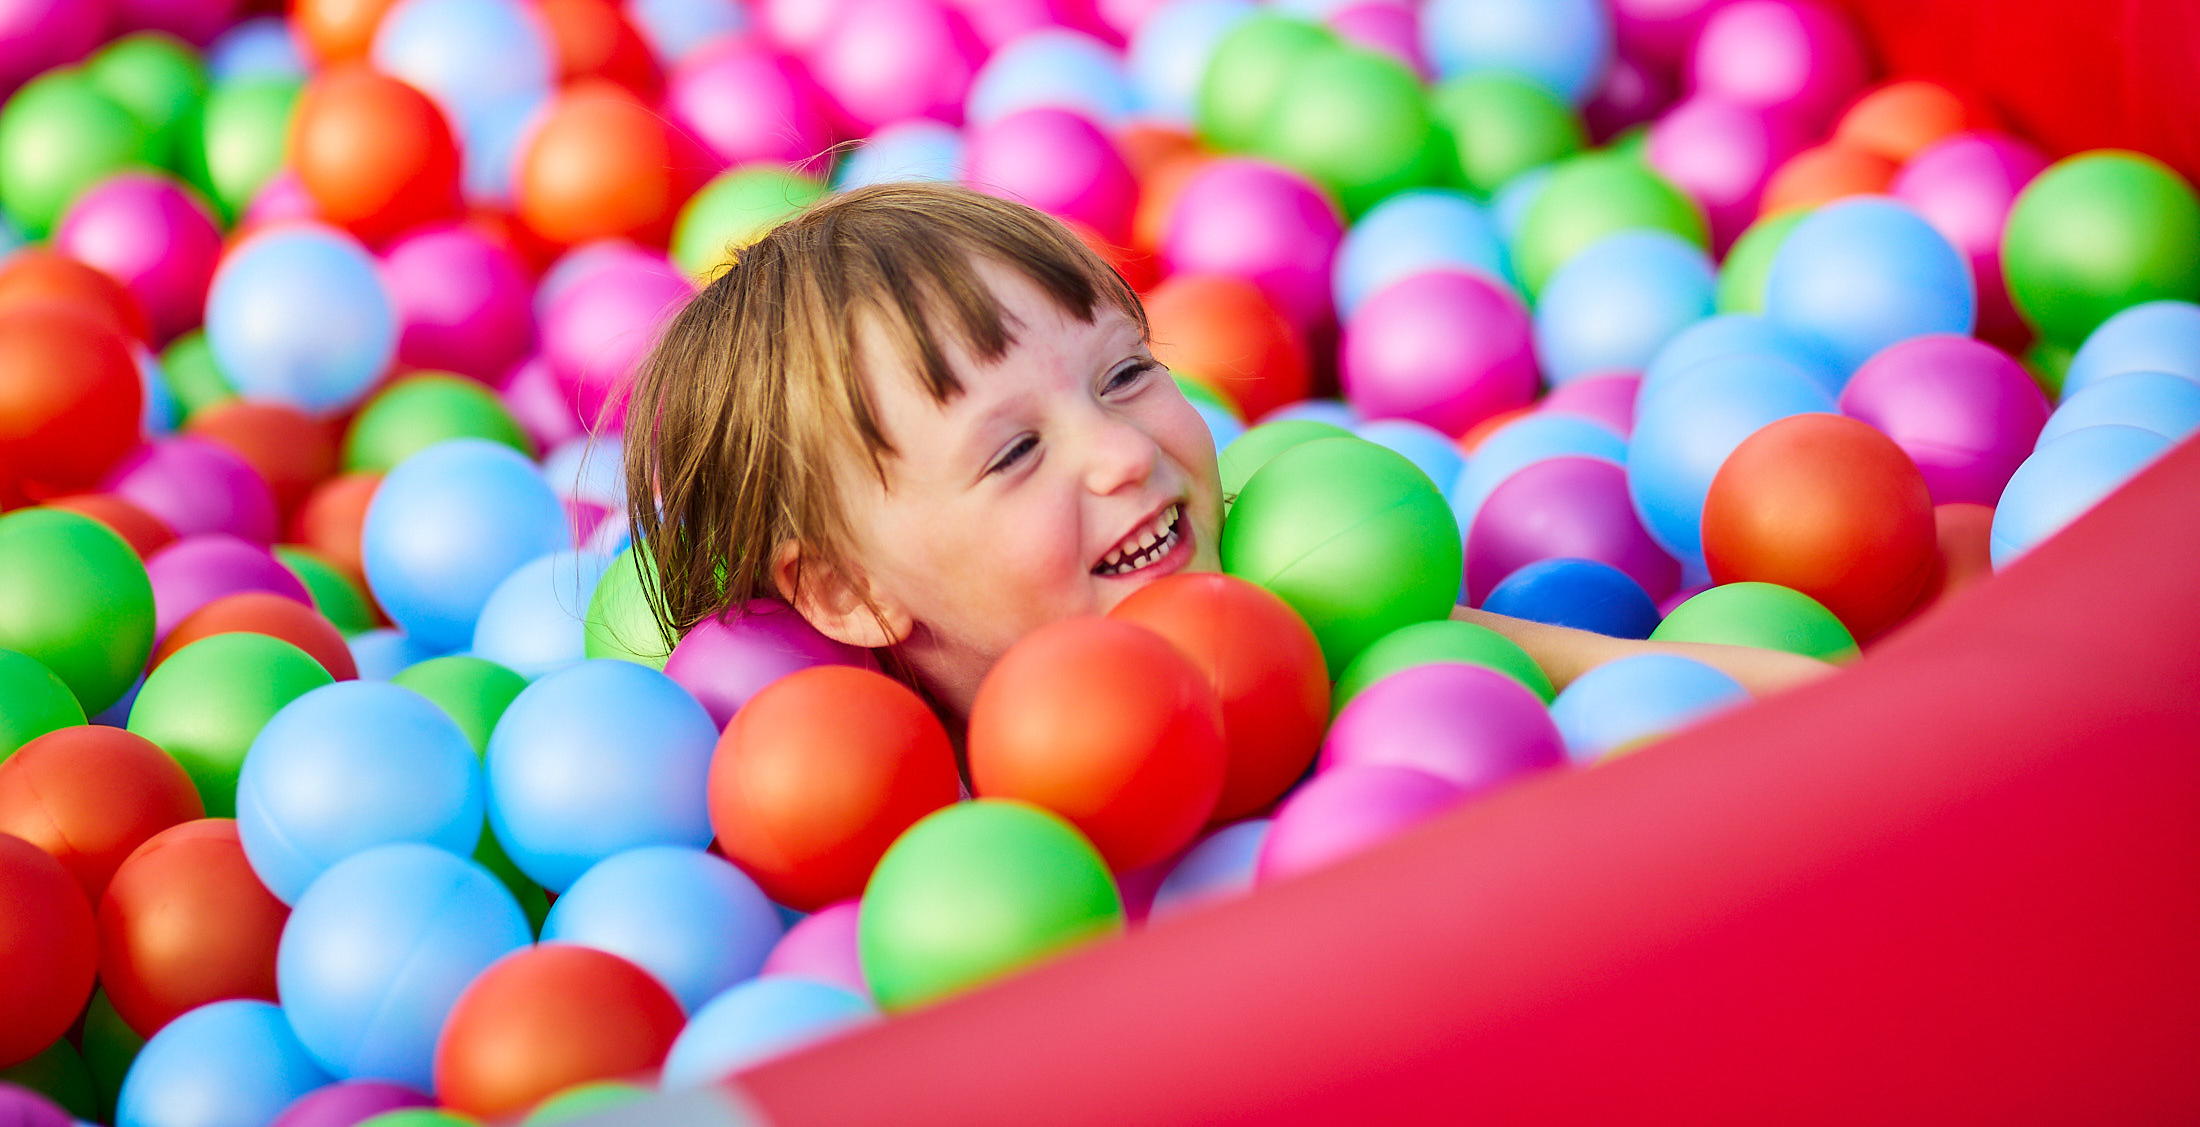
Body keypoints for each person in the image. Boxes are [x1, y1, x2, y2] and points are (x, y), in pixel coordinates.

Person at [625, 181, 1831, 723]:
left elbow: (1701, 698)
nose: (1119, 453)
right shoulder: (862, 822)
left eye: (1127, 374)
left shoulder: (1326, 625)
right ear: (846, 590)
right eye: (1012, 455)